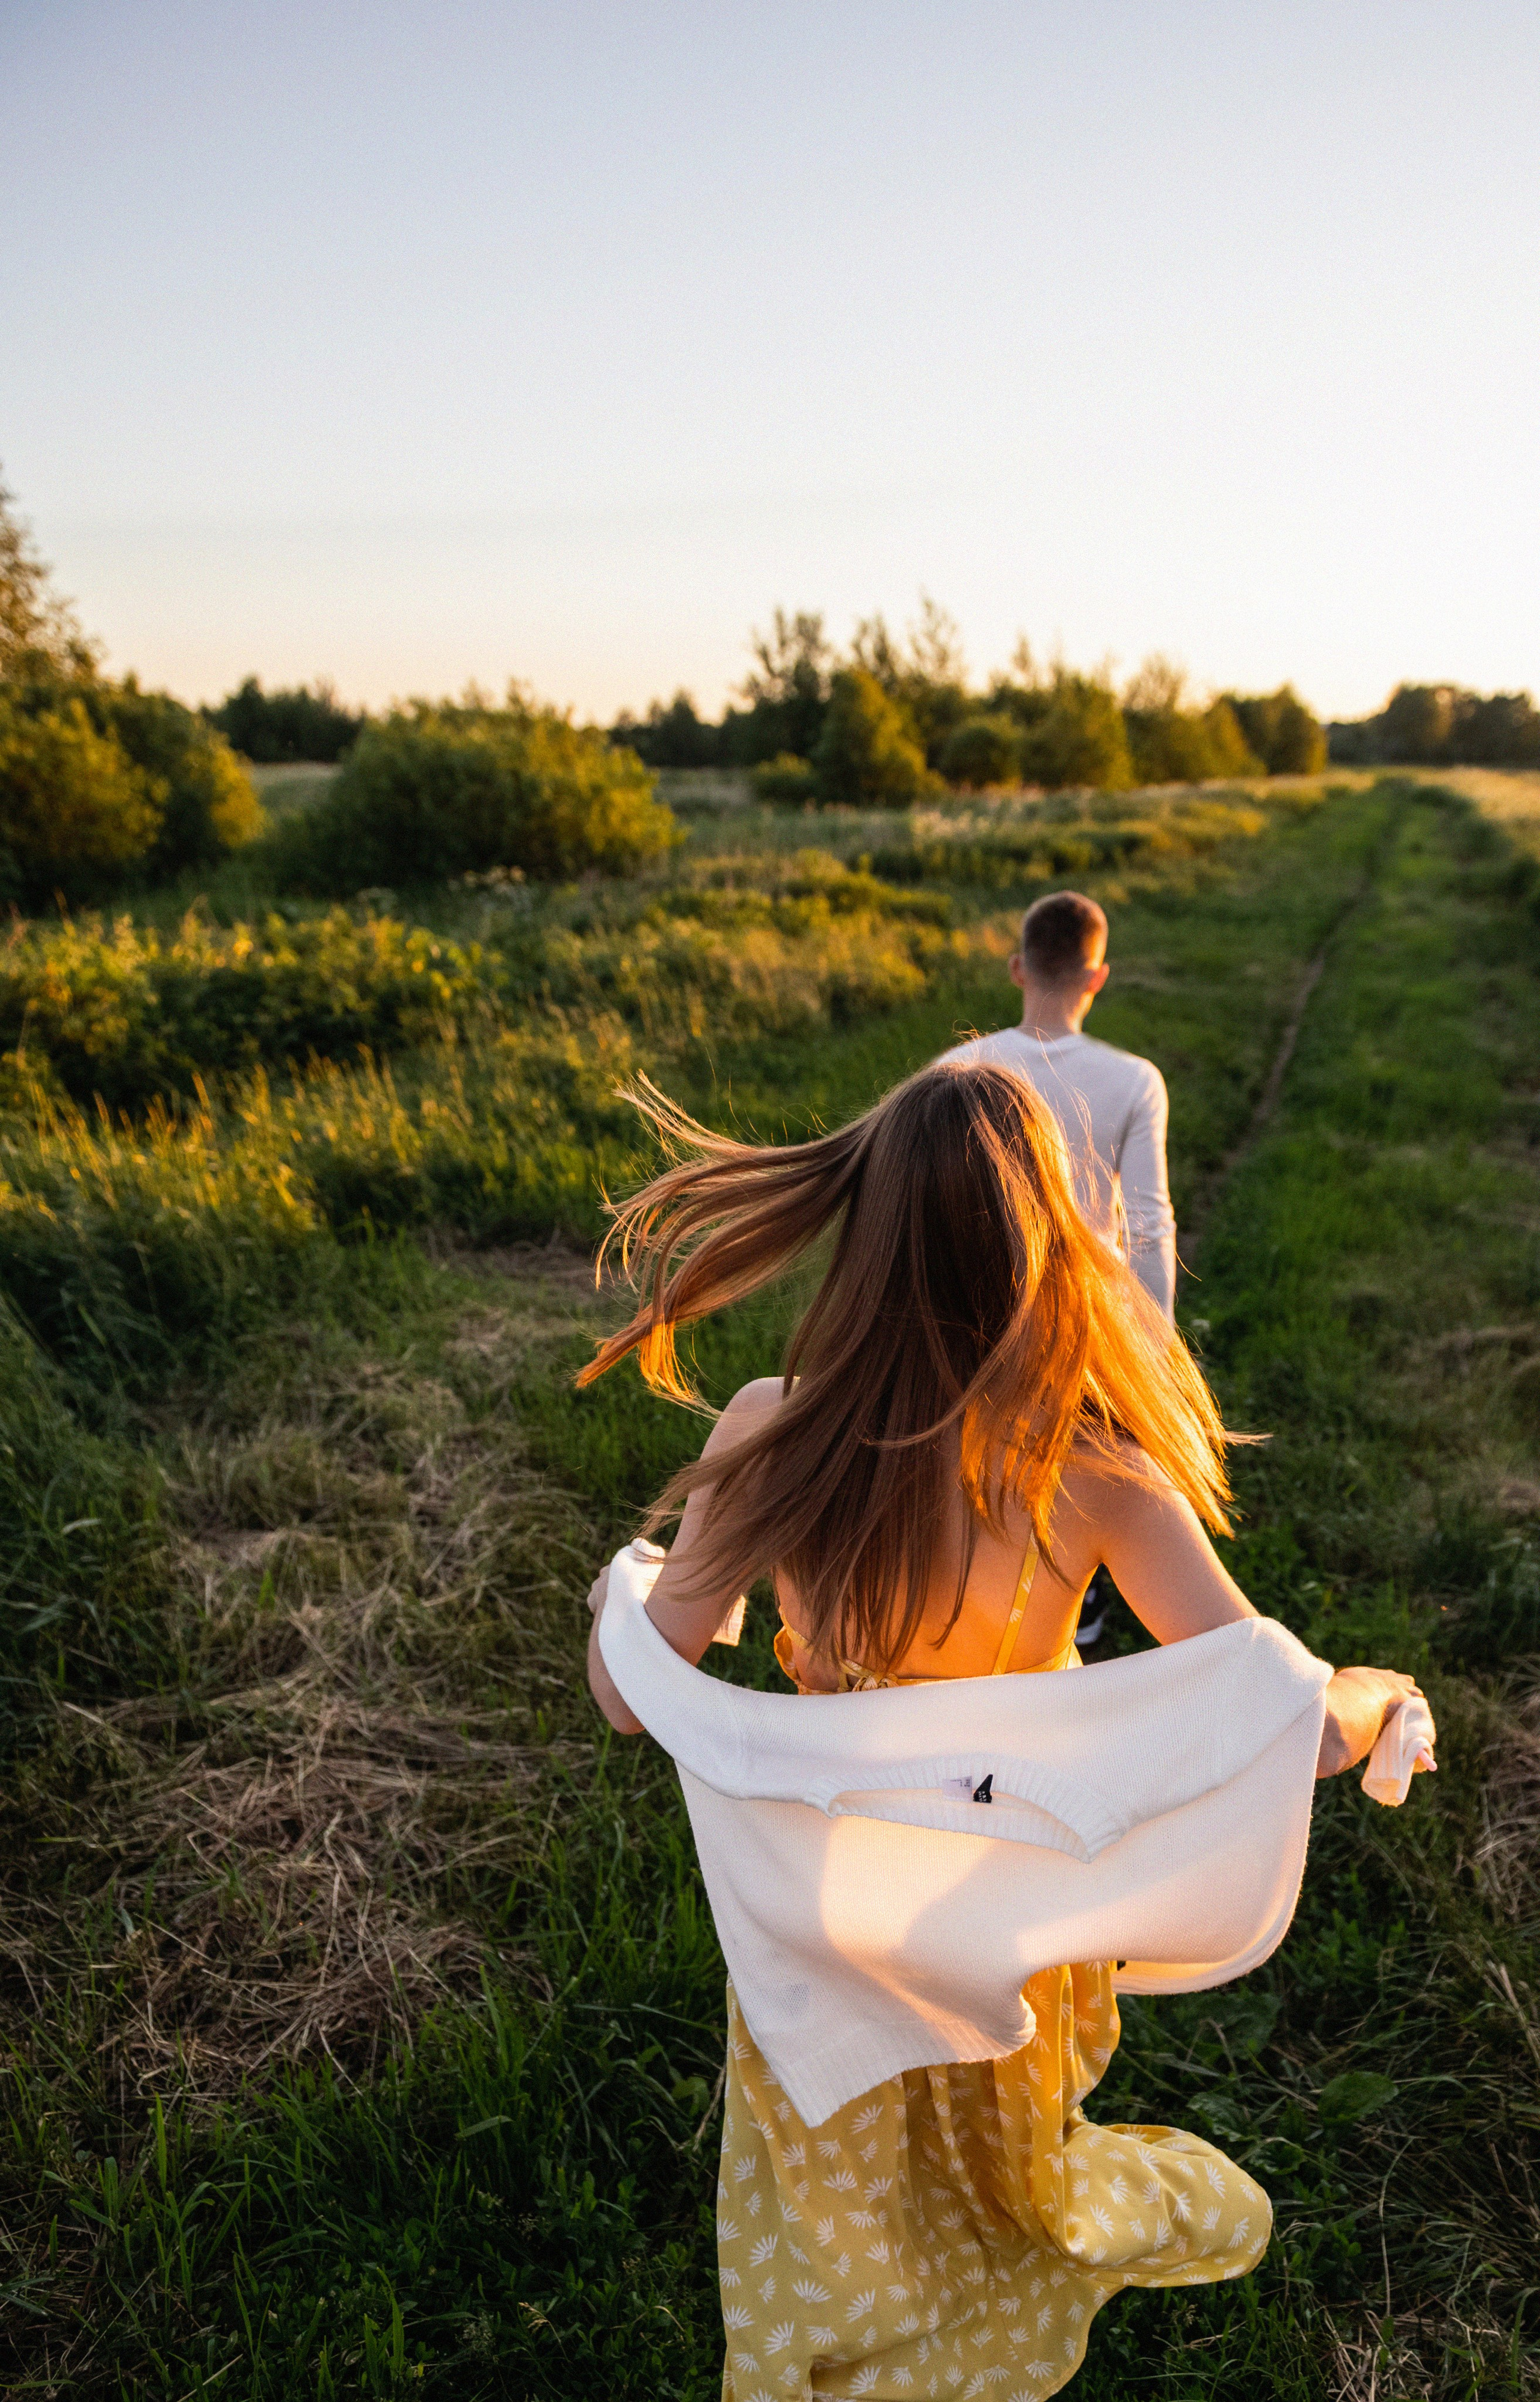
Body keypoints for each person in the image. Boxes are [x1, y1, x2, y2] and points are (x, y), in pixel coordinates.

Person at [581, 1061, 1425, 2402]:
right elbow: (1284, 1718)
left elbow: (632, 1692)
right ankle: (982, 2325)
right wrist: (1380, 1697)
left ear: (861, 1230)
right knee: (1001, 2161)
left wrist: (627, 1590)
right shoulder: (1089, 1468)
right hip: (1005, 1900)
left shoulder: (769, 1431)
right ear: (1048, 1236)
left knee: (830, 2175)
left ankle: (835, 2342)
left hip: (828, 1902)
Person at [943, 890, 1175, 1646]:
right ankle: (1071, 1617)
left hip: (968, 1309)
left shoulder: (957, 1068)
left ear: (1017, 968)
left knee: (971, 1463)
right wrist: (1155, 1348)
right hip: (1080, 1320)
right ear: (1097, 976)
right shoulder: (1134, 1080)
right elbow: (1148, 1224)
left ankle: (964, 1609)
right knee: (1077, 1470)